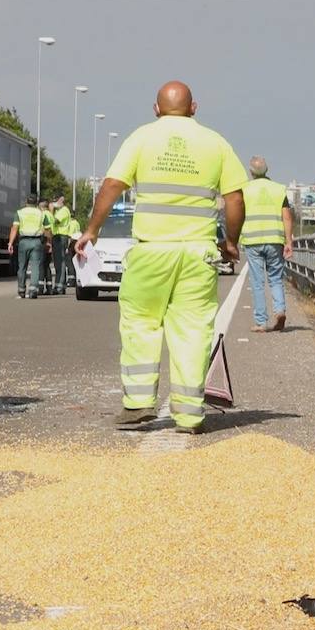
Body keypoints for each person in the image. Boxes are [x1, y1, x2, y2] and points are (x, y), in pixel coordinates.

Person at [75, 81, 246, 434]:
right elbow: (235, 200)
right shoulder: (216, 143)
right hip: (198, 254)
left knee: (140, 322)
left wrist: (92, 230)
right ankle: (189, 415)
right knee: (193, 330)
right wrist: (230, 241)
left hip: (151, 250)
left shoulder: (141, 138)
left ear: (156, 109)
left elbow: (111, 186)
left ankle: (138, 404)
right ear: (194, 108)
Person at [241, 156, 293, 332]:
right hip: (275, 240)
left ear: (251, 172)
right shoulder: (279, 189)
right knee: (276, 279)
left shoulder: (245, 189)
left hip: (253, 240)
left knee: (257, 282)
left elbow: (239, 214)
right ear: (267, 169)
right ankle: (280, 311)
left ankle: (261, 322)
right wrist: (289, 242)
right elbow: (286, 216)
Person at [7, 194, 50, 299]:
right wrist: (48, 242)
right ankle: (33, 290)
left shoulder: (20, 213)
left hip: (23, 242)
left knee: (22, 267)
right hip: (36, 242)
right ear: (36, 203)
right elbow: (48, 229)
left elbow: (14, 228)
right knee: (35, 266)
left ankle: (21, 290)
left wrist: (10, 243)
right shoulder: (41, 213)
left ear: (26, 202)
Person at [50, 195, 73, 294]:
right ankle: (60, 285)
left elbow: (54, 221)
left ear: (61, 200)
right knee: (58, 262)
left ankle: (59, 286)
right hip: (58, 237)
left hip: (60, 237)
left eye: (56, 201)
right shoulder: (59, 211)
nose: (54, 203)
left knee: (60, 262)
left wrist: (51, 211)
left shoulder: (63, 211)